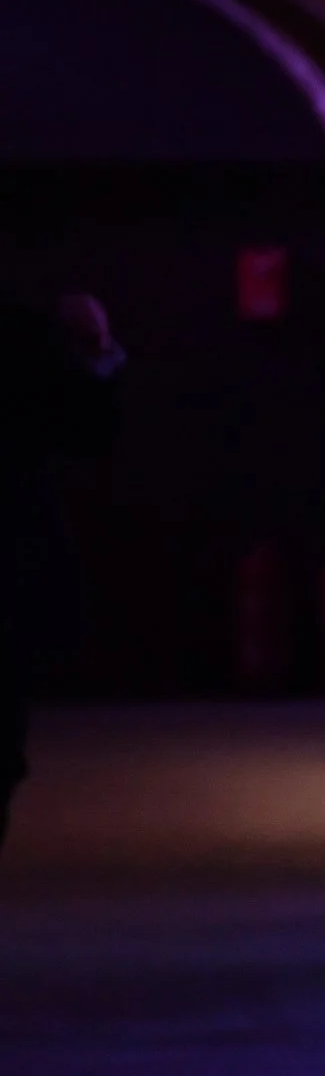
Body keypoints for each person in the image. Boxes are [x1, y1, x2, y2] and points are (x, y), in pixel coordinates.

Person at [0, 293, 124, 855]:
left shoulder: (19, 331)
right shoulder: (19, 331)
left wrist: (94, 355)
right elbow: (86, 431)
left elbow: (86, 432)